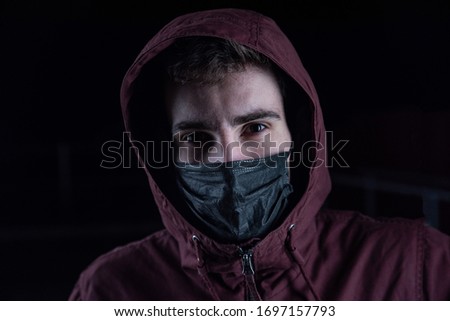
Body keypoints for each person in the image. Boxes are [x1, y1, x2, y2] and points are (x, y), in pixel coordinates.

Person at [69, 8, 450, 300]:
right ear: (164, 153)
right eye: (197, 137)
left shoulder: (417, 267)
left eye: (255, 128)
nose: (229, 158)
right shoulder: (110, 290)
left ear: (298, 136)